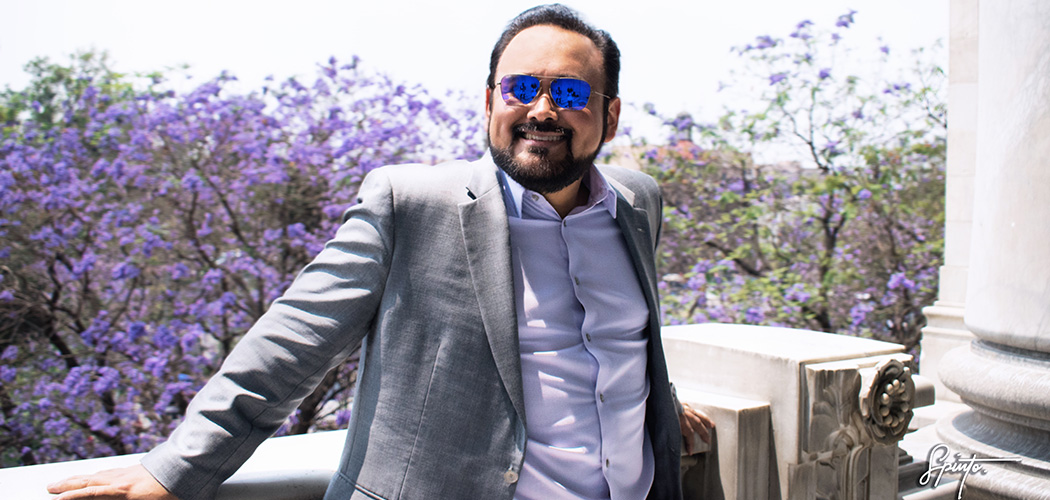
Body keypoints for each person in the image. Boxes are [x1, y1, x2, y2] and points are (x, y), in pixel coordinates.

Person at [48, 4, 713, 500]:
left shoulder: (636, 202)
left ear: (610, 115)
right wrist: (177, 469)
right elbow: (292, 341)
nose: (542, 109)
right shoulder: (412, 204)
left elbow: (614, 333)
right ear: (490, 102)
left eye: (568, 94)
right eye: (520, 89)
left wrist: (654, 398)